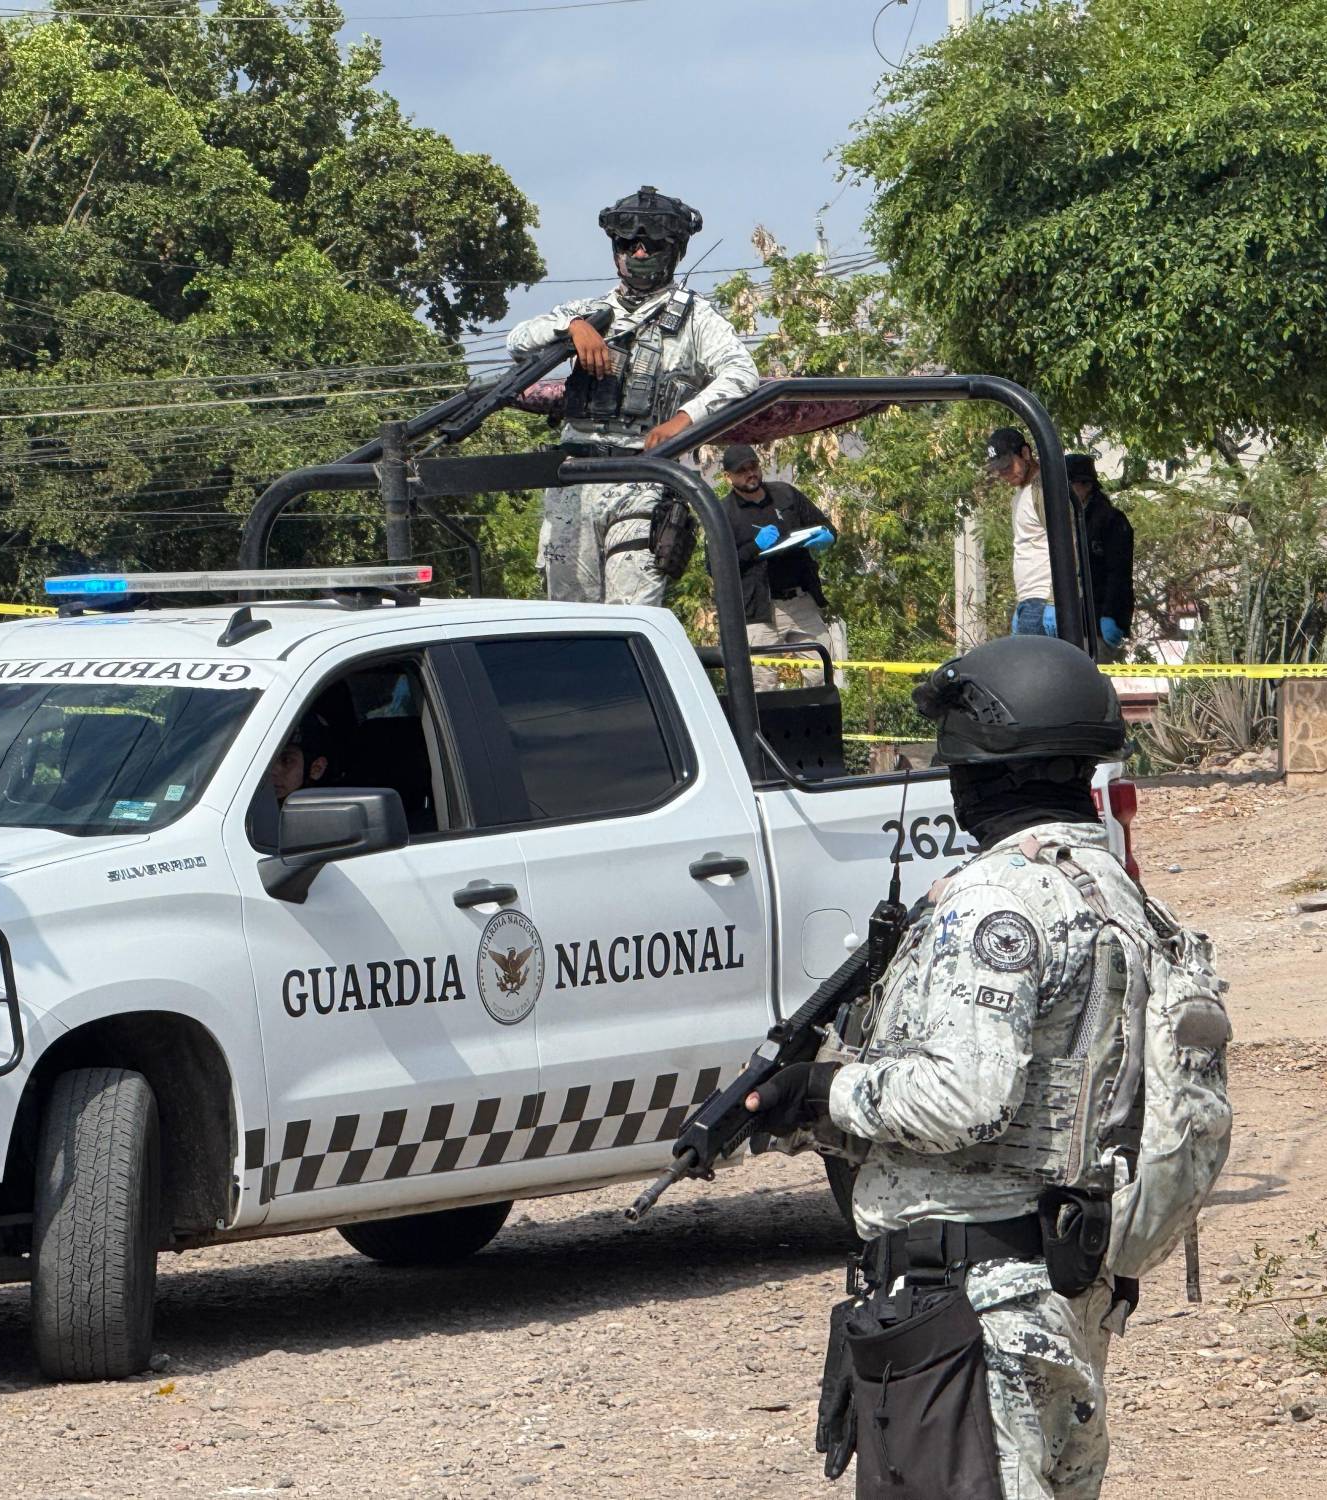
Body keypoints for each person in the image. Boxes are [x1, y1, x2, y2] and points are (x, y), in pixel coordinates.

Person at [746, 637, 1192, 1499]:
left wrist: (823, 1091)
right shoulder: (1125, 896)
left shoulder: (994, 902)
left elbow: (966, 1098)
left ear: (985, 771)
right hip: (1069, 1286)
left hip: (973, 1306)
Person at [506, 186, 760, 606]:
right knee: (570, 621)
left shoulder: (696, 318)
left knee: (630, 614)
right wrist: (572, 327)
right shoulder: (589, 310)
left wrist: (684, 420)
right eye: (629, 243)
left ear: (674, 249)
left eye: (652, 243)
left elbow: (741, 373)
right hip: (573, 480)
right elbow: (517, 341)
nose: (639, 253)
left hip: (643, 479)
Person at [721, 443, 838, 687]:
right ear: (728, 477)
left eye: (752, 466)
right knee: (763, 684)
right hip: (759, 611)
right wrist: (755, 546)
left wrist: (825, 538)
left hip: (800, 600)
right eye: (741, 470)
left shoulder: (785, 494)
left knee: (821, 673)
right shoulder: (723, 513)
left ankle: (813, 723)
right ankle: (766, 727)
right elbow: (715, 567)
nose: (749, 473)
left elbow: (827, 528)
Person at [991, 427, 1056, 638]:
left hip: (1042, 600)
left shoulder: (1042, 490)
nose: (1003, 474)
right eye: (998, 469)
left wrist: (1055, 601)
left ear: (1026, 454)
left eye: (1008, 466)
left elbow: (1067, 542)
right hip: (1028, 601)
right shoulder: (1021, 494)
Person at [1069, 455, 1135, 659]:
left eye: (1068, 485)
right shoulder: (1075, 519)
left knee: (1093, 682)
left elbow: (1119, 574)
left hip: (1100, 623)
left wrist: (1110, 616)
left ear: (1085, 485)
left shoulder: (1111, 520)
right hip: (1078, 621)